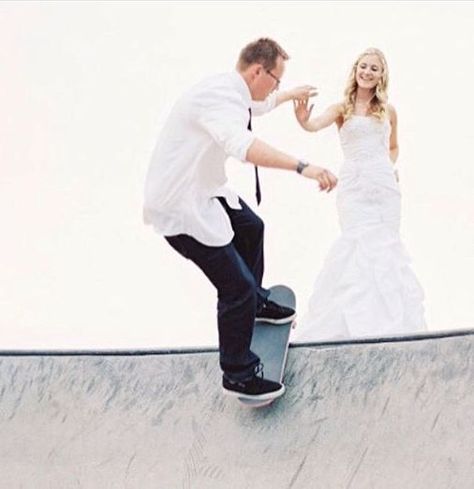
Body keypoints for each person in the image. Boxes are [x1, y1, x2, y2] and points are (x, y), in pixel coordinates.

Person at [143, 38, 337, 401]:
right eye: (277, 80)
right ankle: (238, 372)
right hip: (179, 208)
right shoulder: (220, 99)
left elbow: (259, 104)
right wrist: (303, 166)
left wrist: (288, 94)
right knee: (236, 288)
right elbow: (244, 146)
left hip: (204, 192)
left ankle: (257, 303)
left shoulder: (234, 89)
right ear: (257, 71)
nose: (275, 88)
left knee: (252, 227)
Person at [294, 48, 426, 341]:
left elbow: (393, 147)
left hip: (384, 188)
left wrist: (384, 168)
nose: (367, 72)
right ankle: (352, 326)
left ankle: (392, 327)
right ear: (356, 71)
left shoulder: (388, 110)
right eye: (363, 66)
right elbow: (315, 124)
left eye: (374, 68)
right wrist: (303, 120)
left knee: (386, 250)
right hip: (354, 187)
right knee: (357, 246)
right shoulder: (342, 108)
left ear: (382, 75)